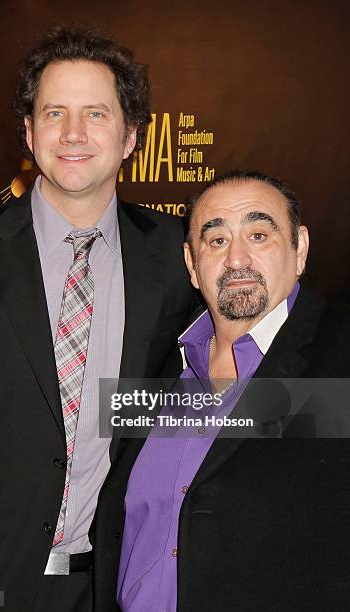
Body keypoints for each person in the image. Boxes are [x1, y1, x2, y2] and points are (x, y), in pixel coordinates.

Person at [0, 26, 197, 612]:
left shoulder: (178, 258)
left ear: (130, 135)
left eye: (96, 114)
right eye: (54, 112)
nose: (73, 133)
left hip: (110, 582)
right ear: (29, 132)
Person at [93, 170, 350, 611]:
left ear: (300, 248)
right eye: (216, 241)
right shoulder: (159, 360)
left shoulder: (339, 354)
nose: (236, 259)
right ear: (192, 265)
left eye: (258, 234)